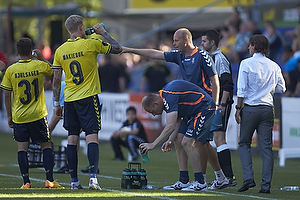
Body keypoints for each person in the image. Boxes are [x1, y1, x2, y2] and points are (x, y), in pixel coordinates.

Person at [121, 27, 221, 190]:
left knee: (199, 143)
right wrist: (129, 49)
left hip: (204, 104)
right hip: (188, 105)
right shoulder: (179, 56)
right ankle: (185, 180)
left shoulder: (201, 55)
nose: (173, 44)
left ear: (186, 40)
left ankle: (209, 179)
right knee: (178, 140)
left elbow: (215, 80)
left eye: (176, 40)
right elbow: (154, 54)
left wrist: (216, 105)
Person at [52, 15, 122, 190]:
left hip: (69, 99)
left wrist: (56, 103)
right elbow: (118, 48)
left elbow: (55, 79)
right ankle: (93, 179)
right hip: (88, 97)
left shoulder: (60, 50)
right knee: (92, 136)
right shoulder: (92, 44)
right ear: (82, 27)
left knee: (72, 138)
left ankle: (74, 181)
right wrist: (103, 32)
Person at [140, 80, 228, 191]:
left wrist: (153, 144)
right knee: (178, 140)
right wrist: (170, 139)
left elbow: (170, 126)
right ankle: (183, 180)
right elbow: (177, 120)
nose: (153, 114)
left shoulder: (168, 97)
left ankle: (200, 182)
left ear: (155, 104)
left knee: (187, 142)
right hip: (193, 113)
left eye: (152, 111)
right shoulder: (165, 96)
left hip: (204, 108)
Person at [0, 37, 63, 189]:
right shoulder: (39, 65)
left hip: (20, 116)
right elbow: (55, 73)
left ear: (17, 52)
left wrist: (9, 116)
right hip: (37, 115)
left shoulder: (11, 70)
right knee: (46, 146)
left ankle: (26, 182)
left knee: (22, 148)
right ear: (31, 50)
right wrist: (42, 58)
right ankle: (49, 180)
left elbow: (7, 94)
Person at [235, 35, 286, 194]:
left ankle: (249, 178)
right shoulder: (274, 65)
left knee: (244, 143)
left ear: (254, 46)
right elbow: (282, 88)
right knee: (267, 148)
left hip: (250, 108)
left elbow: (241, 89)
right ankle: (266, 185)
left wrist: (238, 108)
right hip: (267, 108)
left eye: (249, 45)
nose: (248, 48)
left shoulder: (246, 63)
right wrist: (268, 88)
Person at [201, 30, 236, 186]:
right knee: (213, 139)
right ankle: (222, 177)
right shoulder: (209, 57)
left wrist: (222, 103)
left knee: (219, 138)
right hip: (211, 103)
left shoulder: (220, 59)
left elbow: (227, 83)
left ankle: (228, 177)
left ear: (212, 43)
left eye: (204, 41)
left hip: (220, 103)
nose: (201, 44)